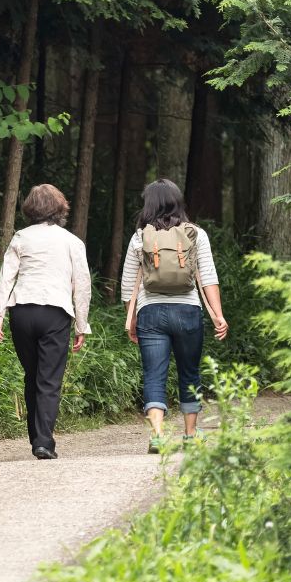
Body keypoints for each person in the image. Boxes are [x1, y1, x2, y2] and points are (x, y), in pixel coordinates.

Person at [121, 179, 228, 453]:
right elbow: (209, 278)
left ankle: (157, 435)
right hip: (188, 310)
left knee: (154, 375)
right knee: (189, 373)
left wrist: (131, 318)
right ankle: (191, 435)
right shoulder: (195, 233)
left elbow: (127, 284)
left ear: (149, 204)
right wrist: (218, 314)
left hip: (150, 312)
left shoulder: (140, 236)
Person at [0, 184, 91, 460]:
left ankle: (37, 437)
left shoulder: (21, 237)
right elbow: (81, 285)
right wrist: (82, 324)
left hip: (21, 312)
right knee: (48, 380)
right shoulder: (72, 241)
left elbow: (6, 276)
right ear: (60, 208)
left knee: (33, 375)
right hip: (55, 313)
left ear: (30, 208)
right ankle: (43, 441)